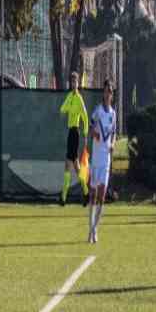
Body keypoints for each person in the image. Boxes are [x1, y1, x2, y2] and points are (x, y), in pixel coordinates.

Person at [88, 79, 117, 244]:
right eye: (106, 91)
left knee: (102, 196)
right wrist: (94, 134)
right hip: (96, 158)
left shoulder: (113, 114)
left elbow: (113, 133)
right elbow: (90, 128)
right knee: (92, 197)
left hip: (106, 159)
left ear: (112, 95)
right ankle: (90, 226)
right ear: (103, 93)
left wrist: (112, 144)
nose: (107, 94)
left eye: (110, 92)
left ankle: (95, 229)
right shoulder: (98, 111)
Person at [59, 72, 90, 206]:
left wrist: (85, 132)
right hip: (70, 133)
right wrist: (67, 107)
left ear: (78, 83)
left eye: (75, 82)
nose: (73, 84)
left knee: (70, 164)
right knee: (75, 166)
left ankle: (63, 198)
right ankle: (86, 193)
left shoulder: (79, 98)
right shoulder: (70, 97)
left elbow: (85, 116)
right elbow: (62, 109)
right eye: (71, 82)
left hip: (75, 132)